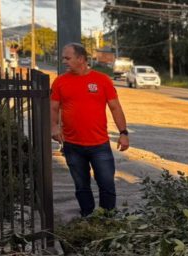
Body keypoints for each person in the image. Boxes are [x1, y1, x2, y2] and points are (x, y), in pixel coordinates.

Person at [50, 42, 129, 217]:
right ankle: (87, 217)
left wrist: (123, 133)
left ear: (80, 59)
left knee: (107, 184)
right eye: (63, 57)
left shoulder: (102, 80)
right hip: (72, 145)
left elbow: (115, 108)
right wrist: (54, 126)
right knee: (81, 186)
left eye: (67, 58)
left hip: (99, 145)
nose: (64, 61)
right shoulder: (60, 82)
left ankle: (106, 219)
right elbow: (53, 107)